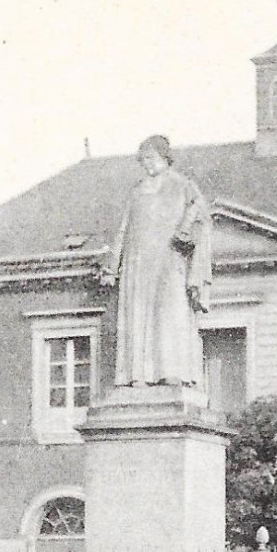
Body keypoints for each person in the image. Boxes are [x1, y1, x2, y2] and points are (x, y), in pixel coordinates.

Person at [99, 134, 212, 387]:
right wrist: (111, 266)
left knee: (170, 315)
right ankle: (138, 374)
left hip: (170, 260)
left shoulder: (183, 186)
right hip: (138, 265)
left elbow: (202, 218)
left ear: (164, 157)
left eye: (151, 158)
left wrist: (188, 230)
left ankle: (172, 371)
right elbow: (123, 230)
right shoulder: (136, 193)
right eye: (143, 160)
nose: (147, 165)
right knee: (138, 316)